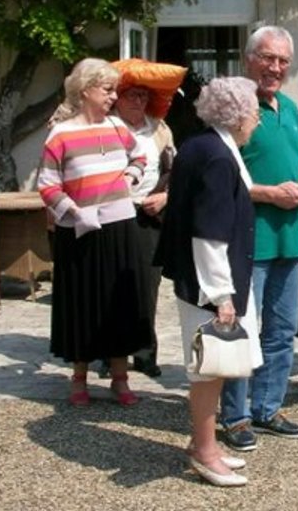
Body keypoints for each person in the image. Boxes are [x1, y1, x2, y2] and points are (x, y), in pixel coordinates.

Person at [156, 77, 262, 487]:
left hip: (199, 277)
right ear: (236, 115)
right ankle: (204, 450)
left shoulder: (202, 144)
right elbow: (209, 233)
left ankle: (205, 445)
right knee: (208, 368)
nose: (256, 119)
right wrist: (222, 296)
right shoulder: (217, 155)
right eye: (253, 111)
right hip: (208, 281)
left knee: (209, 368)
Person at [37, 58, 151, 407]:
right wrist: (73, 211)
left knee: (121, 302)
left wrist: (131, 176)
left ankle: (120, 378)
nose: (114, 96)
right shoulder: (61, 133)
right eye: (107, 89)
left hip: (120, 226)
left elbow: (141, 156)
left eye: (114, 90)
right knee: (83, 303)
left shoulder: (118, 127)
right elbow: (46, 183)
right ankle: (79, 377)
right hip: (80, 231)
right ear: (85, 90)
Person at [220, 26, 298, 453]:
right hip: (249, 238)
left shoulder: (291, 108)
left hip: (290, 237)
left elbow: (293, 163)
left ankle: (268, 407)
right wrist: (269, 193)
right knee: (241, 331)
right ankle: (234, 415)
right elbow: (221, 178)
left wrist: (297, 189)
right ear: (248, 58)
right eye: (267, 58)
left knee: (281, 330)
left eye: (282, 61)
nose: (275, 68)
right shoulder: (234, 108)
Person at [106, 59, 185, 378]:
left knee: (146, 285)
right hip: (112, 213)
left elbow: (176, 169)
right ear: (118, 98)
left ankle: (144, 350)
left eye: (143, 95)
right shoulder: (106, 126)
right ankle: (111, 352)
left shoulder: (158, 127)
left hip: (149, 213)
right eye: (131, 95)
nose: (139, 101)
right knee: (112, 284)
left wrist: (166, 197)